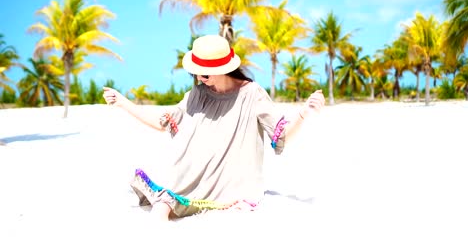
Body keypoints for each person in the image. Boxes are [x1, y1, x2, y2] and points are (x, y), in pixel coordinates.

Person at [102, 34, 325, 221]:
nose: (200, 77)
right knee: (163, 205)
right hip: (191, 177)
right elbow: (162, 122)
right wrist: (123, 103)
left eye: (205, 72)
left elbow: (281, 136)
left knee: (166, 207)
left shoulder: (252, 94)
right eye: (196, 72)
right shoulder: (197, 94)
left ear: (223, 68)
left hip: (233, 185)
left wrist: (304, 114)